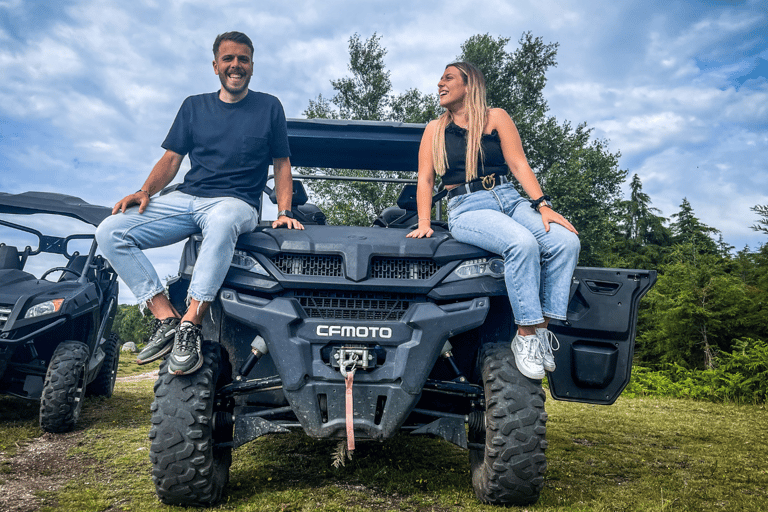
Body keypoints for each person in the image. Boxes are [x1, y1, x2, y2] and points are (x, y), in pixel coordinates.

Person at [96, 31, 303, 376]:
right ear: (215, 66)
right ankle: (166, 318)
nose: (236, 65)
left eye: (243, 59)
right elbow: (172, 158)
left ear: (252, 66)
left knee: (222, 219)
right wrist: (145, 190)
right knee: (110, 230)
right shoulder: (194, 106)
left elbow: (282, 164)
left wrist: (284, 212)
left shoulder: (269, 107)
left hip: (237, 205)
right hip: (188, 199)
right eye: (228, 59)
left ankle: (191, 323)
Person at [406, 62, 580, 380]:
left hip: (509, 198)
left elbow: (519, 164)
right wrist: (424, 220)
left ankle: (540, 330)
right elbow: (425, 180)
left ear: (469, 84)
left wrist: (543, 206)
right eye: (440, 79)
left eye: (448, 78)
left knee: (565, 242)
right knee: (521, 244)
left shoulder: (495, 117)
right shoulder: (434, 129)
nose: (439, 83)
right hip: (468, 207)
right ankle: (525, 335)